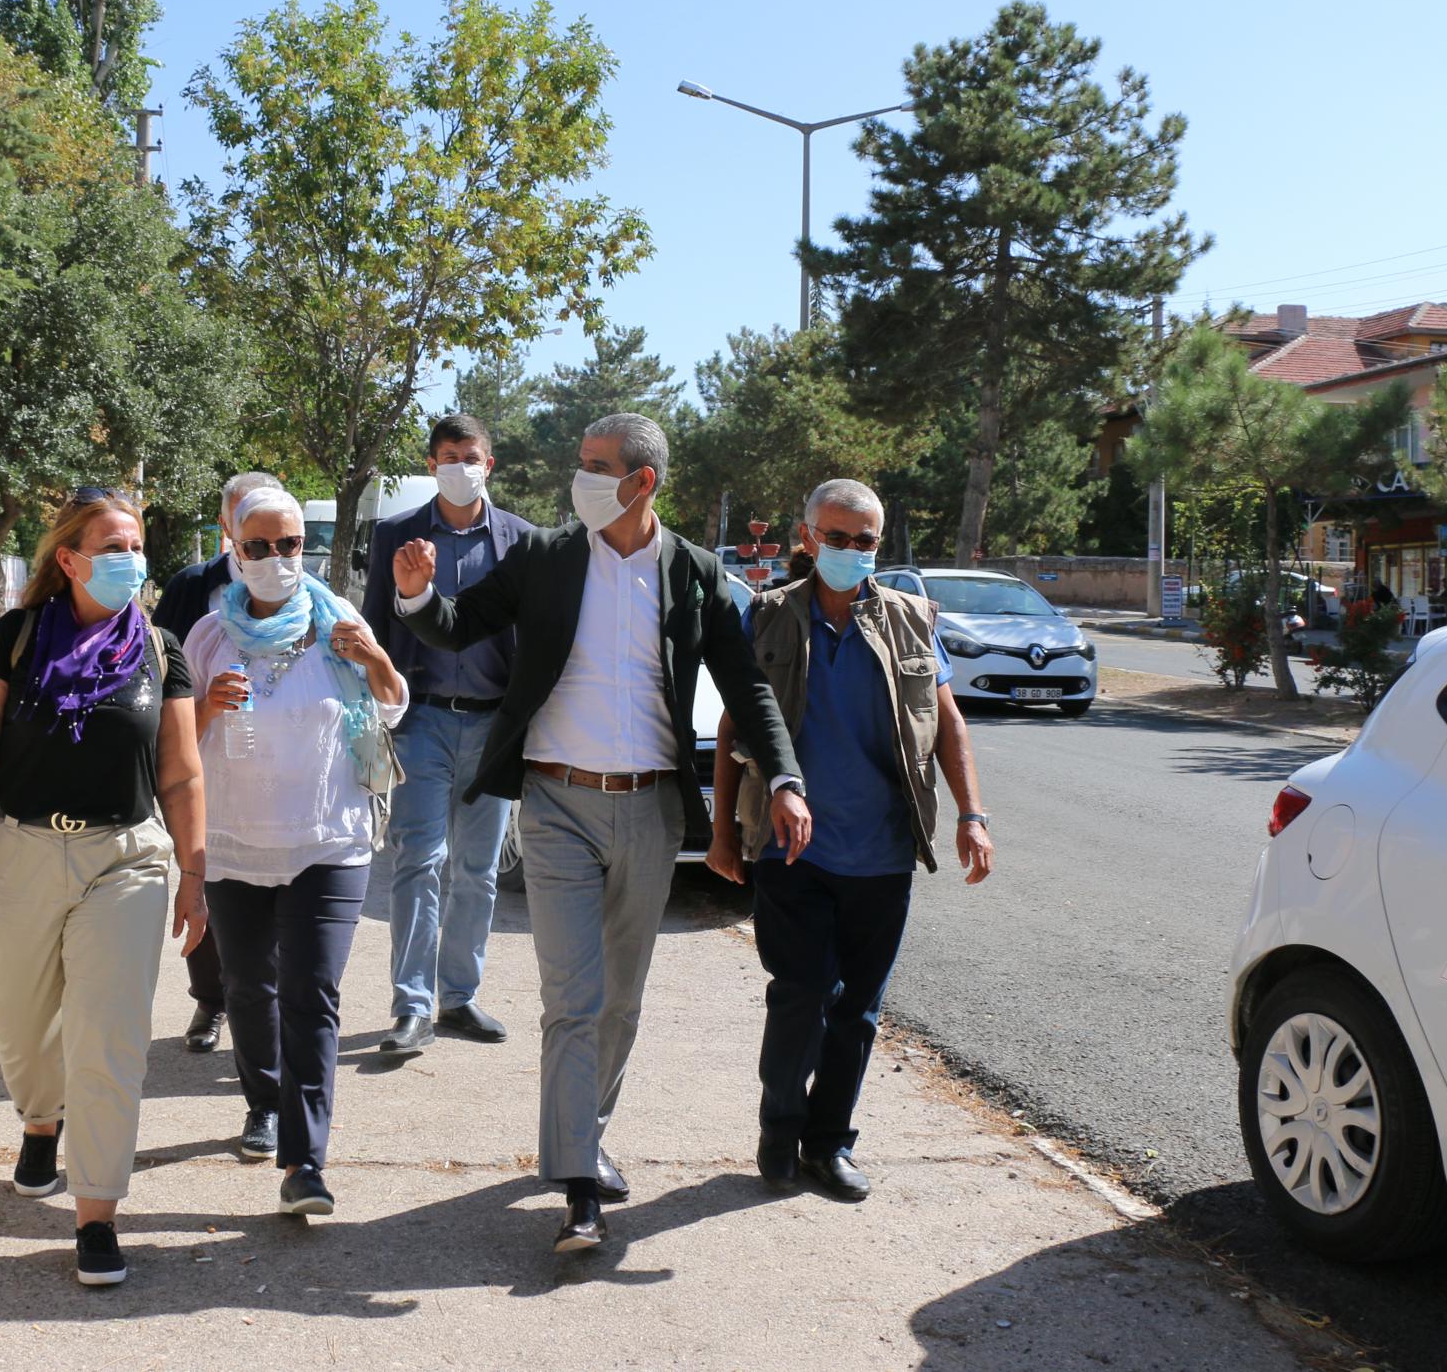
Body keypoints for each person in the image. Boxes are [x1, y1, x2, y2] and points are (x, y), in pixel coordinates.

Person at [394, 413, 805, 1254]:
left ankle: (587, 1132)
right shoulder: (545, 556)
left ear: (642, 481)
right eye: (580, 461)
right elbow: (458, 624)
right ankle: (579, 1184)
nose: (578, 476)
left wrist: (786, 780)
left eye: (595, 465)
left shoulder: (694, 572)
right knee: (572, 998)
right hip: (556, 805)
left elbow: (747, 687)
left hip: (651, 810)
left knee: (620, 999)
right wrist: (416, 594)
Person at [0, 489, 207, 1288]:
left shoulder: (160, 649)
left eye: (136, 545)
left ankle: (97, 1212)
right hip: (18, 849)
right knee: (22, 1019)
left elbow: (182, 773)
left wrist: (194, 873)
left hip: (125, 857)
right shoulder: (15, 638)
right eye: (112, 547)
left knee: (109, 1035)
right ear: (70, 560)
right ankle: (41, 1120)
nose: (130, 560)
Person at [707, 479, 991, 1204]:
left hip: (882, 851)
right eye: (836, 537)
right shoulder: (767, 616)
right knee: (800, 994)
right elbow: (736, 724)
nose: (850, 550)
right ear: (808, 538)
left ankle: (829, 1142)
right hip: (789, 849)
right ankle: (779, 1129)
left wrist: (972, 814)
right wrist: (722, 833)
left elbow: (949, 723)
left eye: (864, 541)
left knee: (857, 1009)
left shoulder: (911, 620)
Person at [185, 484, 409, 1217]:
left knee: (312, 994)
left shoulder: (337, 617)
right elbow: (176, 743)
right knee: (250, 986)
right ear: (234, 548)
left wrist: (374, 656)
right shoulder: (208, 637)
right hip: (235, 839)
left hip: (329, 837)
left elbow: (391, 704)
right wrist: (206, 708)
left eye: (290, 544)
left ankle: (305, 1162)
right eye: (260, 546)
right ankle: (264, 1103)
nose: (278, 558)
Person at [361, 413, 535, 1056]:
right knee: (418, 861)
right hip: (422, 720)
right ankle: (411, 1005)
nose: (460, 466)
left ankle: (459, 997)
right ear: (431, 464)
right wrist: (376, 710)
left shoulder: (522, 540)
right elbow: (377, 627)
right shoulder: (395, 535)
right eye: (448, 456)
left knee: (478, 870)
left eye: (471, 456)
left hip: (493, 724)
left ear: (490, 464)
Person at [152, 470, 284, 1054]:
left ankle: (266, 1007)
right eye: (245, 512)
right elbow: (159, 661)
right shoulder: (193, 586)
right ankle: (210, 1001)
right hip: (203, 756)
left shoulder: (305, 590)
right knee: (202, 874)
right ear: (228, 525)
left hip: (275, 769)